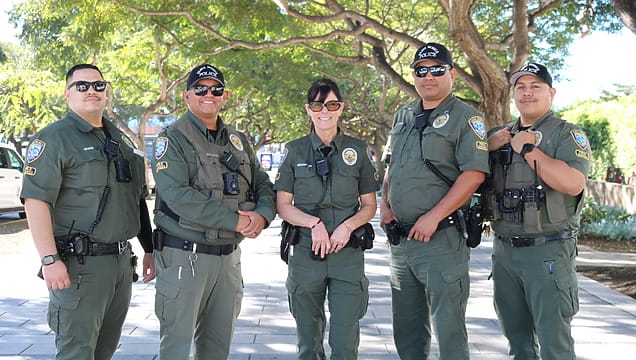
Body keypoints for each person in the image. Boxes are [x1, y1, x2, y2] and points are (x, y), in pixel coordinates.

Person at [21, 63, 155, 360]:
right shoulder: (54, 139)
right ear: (67, 93)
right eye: (82, 86)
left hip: (121, 263)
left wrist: (150, 248)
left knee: (104, 350)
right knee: (76, 352)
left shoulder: (120, 141)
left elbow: (135, 198)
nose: (91, 91)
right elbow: (35, 201)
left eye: (98, 85)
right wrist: (48, 259)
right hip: (79, 267)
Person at [151, 63, 276, 359]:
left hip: (228, 260)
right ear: (187, 96)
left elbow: (263, 184)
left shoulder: (238, 140)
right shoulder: (172, 139)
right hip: (185, 258)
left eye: (216, 89)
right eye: (201, 88)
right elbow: (178, 196)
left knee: (218, 348)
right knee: (176, 348)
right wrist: (235, 221)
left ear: (225, 96)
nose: (209, 94)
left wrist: (262, 216)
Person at [379, 43, 489, 359]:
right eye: (421, 70)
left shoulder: (466, 118)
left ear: (451, 74)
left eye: (437, 69)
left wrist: (434, 216)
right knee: (407, 329)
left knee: (449, 329)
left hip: (441, 241)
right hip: (401, 241)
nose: (429, 76)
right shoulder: (403, 115)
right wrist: (385, 206)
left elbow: (473, 175)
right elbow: (391, 167)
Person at [487, 62, 591, 359]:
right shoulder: (499, 135)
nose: (527, 93)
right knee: (517, 341)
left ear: (552, 93)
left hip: (548, 251)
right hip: (505, 252)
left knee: (554, 343)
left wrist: (529, 150)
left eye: (535, 86)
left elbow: (573, 183)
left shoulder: (566, 134)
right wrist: (486, 147)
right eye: (521, 87)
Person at [274, 78, 379, 359]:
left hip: (347, 256)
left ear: (340, 108)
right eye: (318, 105)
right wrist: (314, 223)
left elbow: (369, 205)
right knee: (308, 343)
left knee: (345, 342)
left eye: (331, 104)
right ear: (308, 109)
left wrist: (348, 226)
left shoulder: (357, 150)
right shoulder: (295, 150)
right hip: (307, 254)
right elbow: (283, 205)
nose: (325, 111)